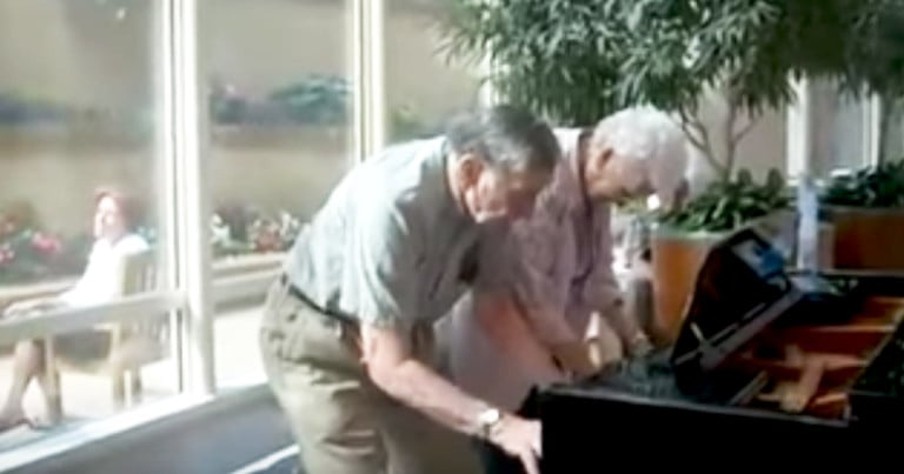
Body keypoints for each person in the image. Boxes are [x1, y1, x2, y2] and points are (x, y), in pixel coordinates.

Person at [258, 105, 561, 474]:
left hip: (405, 333)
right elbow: (389, 364)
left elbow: (496, 311)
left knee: (450, 468)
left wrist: (567, 394)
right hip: (319, 340)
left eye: (535, 196)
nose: (527, 212)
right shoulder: (393, 201)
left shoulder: (493, 208)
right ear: (470, 170)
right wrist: (499, 424)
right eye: (521, 195)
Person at [438, 106, 690, 473]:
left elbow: (599, 278)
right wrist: (588, 378)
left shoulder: (597, 184)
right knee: (503, 461)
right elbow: (533, 299)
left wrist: (638, 345)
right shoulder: (541, 175)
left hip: (548, 363)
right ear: (604, 156)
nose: (627, 203)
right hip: (500, 355)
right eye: (627, 192)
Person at [0, 188, 150, 431]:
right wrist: (43, 304)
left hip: (105, 332)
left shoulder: (129, 250)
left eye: (110, 214)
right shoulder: (104, 247)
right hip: (92, 322)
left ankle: (20, 409)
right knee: (33, 323)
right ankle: (20, 408)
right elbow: (84, 291)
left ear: (127, 219)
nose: (100, 218)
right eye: (99, 211)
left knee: (35, 333)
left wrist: (51, 307)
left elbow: (103, 299)